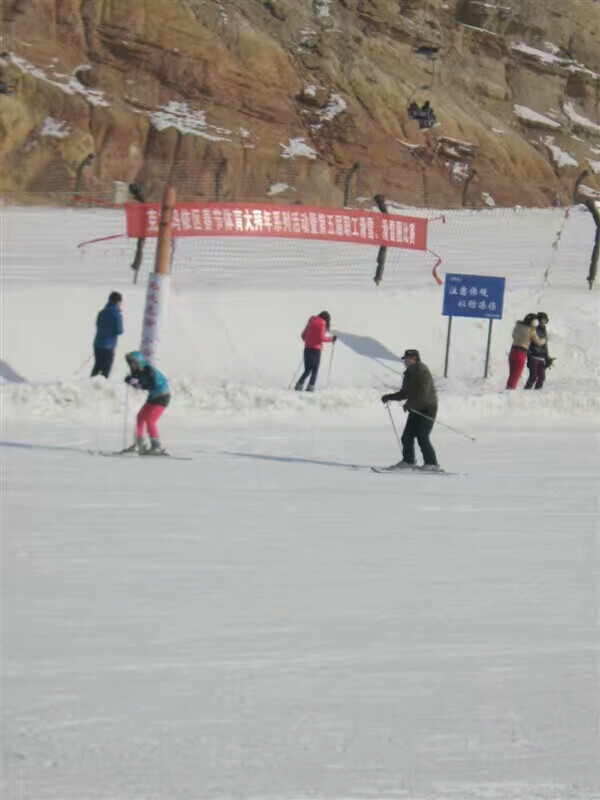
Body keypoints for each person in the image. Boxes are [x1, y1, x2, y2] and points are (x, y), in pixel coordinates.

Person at [381, 349, 440, 471]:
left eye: (407, 359)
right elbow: (404, 393)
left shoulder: (422, 372)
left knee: (422, 436)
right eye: (405, 359)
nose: (405, 361)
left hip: (428, 407)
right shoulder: (409, 373)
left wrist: (410, 404)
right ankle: (408, 461)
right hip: (416, 407)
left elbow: (423, 394)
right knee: (407, 436)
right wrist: (389, 397)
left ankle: (432, 463)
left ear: (414, 359)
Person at [123, 351, 170, 454]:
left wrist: (136, 383)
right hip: (153, 397)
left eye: (133, 363)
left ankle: (156, 445)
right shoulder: (138, 372)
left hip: (162, 396)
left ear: (139, 362)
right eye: (130, 364)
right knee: (140, 417)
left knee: (150, 420)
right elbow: (138, 384)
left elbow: (150, 385)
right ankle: (139, 443)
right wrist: (130, 381)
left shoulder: (148, 371)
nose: (131, 366)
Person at [294, 311, 337, 392]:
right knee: (314, 370)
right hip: (316, 350)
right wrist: (332, 339)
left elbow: (303, 336)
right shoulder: (323, 323)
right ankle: (310, 387)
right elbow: (322, 338)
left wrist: (309, 341)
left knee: (307, 370)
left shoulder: (311, 320)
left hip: (307, 349)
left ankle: (299, 385)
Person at [506, 313, 545, 390]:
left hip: (513, 351)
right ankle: (508, 394)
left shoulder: (518, 326)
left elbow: (513, 336)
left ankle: (507, 390)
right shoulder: (531, 330)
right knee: (516, 376)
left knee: (512, 375)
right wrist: (544, 340)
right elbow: (539, 342)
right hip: (521, 353)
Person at [91, 291, 124, 378]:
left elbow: (98, 324)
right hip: (108, 346)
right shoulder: (117, 315)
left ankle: (90, 385)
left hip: (97, 343)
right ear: (118, 302)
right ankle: (101, 387)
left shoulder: (102, 312)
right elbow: (120, 330)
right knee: (105, 371)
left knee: (97, 366)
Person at [525, 312, 554, 390]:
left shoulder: (544, 331)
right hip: (534, 356)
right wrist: (529, 356)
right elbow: (529, 343)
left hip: (542, 357)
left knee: (542, 377)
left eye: (545, 321)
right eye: (542, 321)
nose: (543, 323)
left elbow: (545, 346)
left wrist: (547, 358)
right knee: (533, 377)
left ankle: (537, 394)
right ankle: (525, 393)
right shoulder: (533, 329)